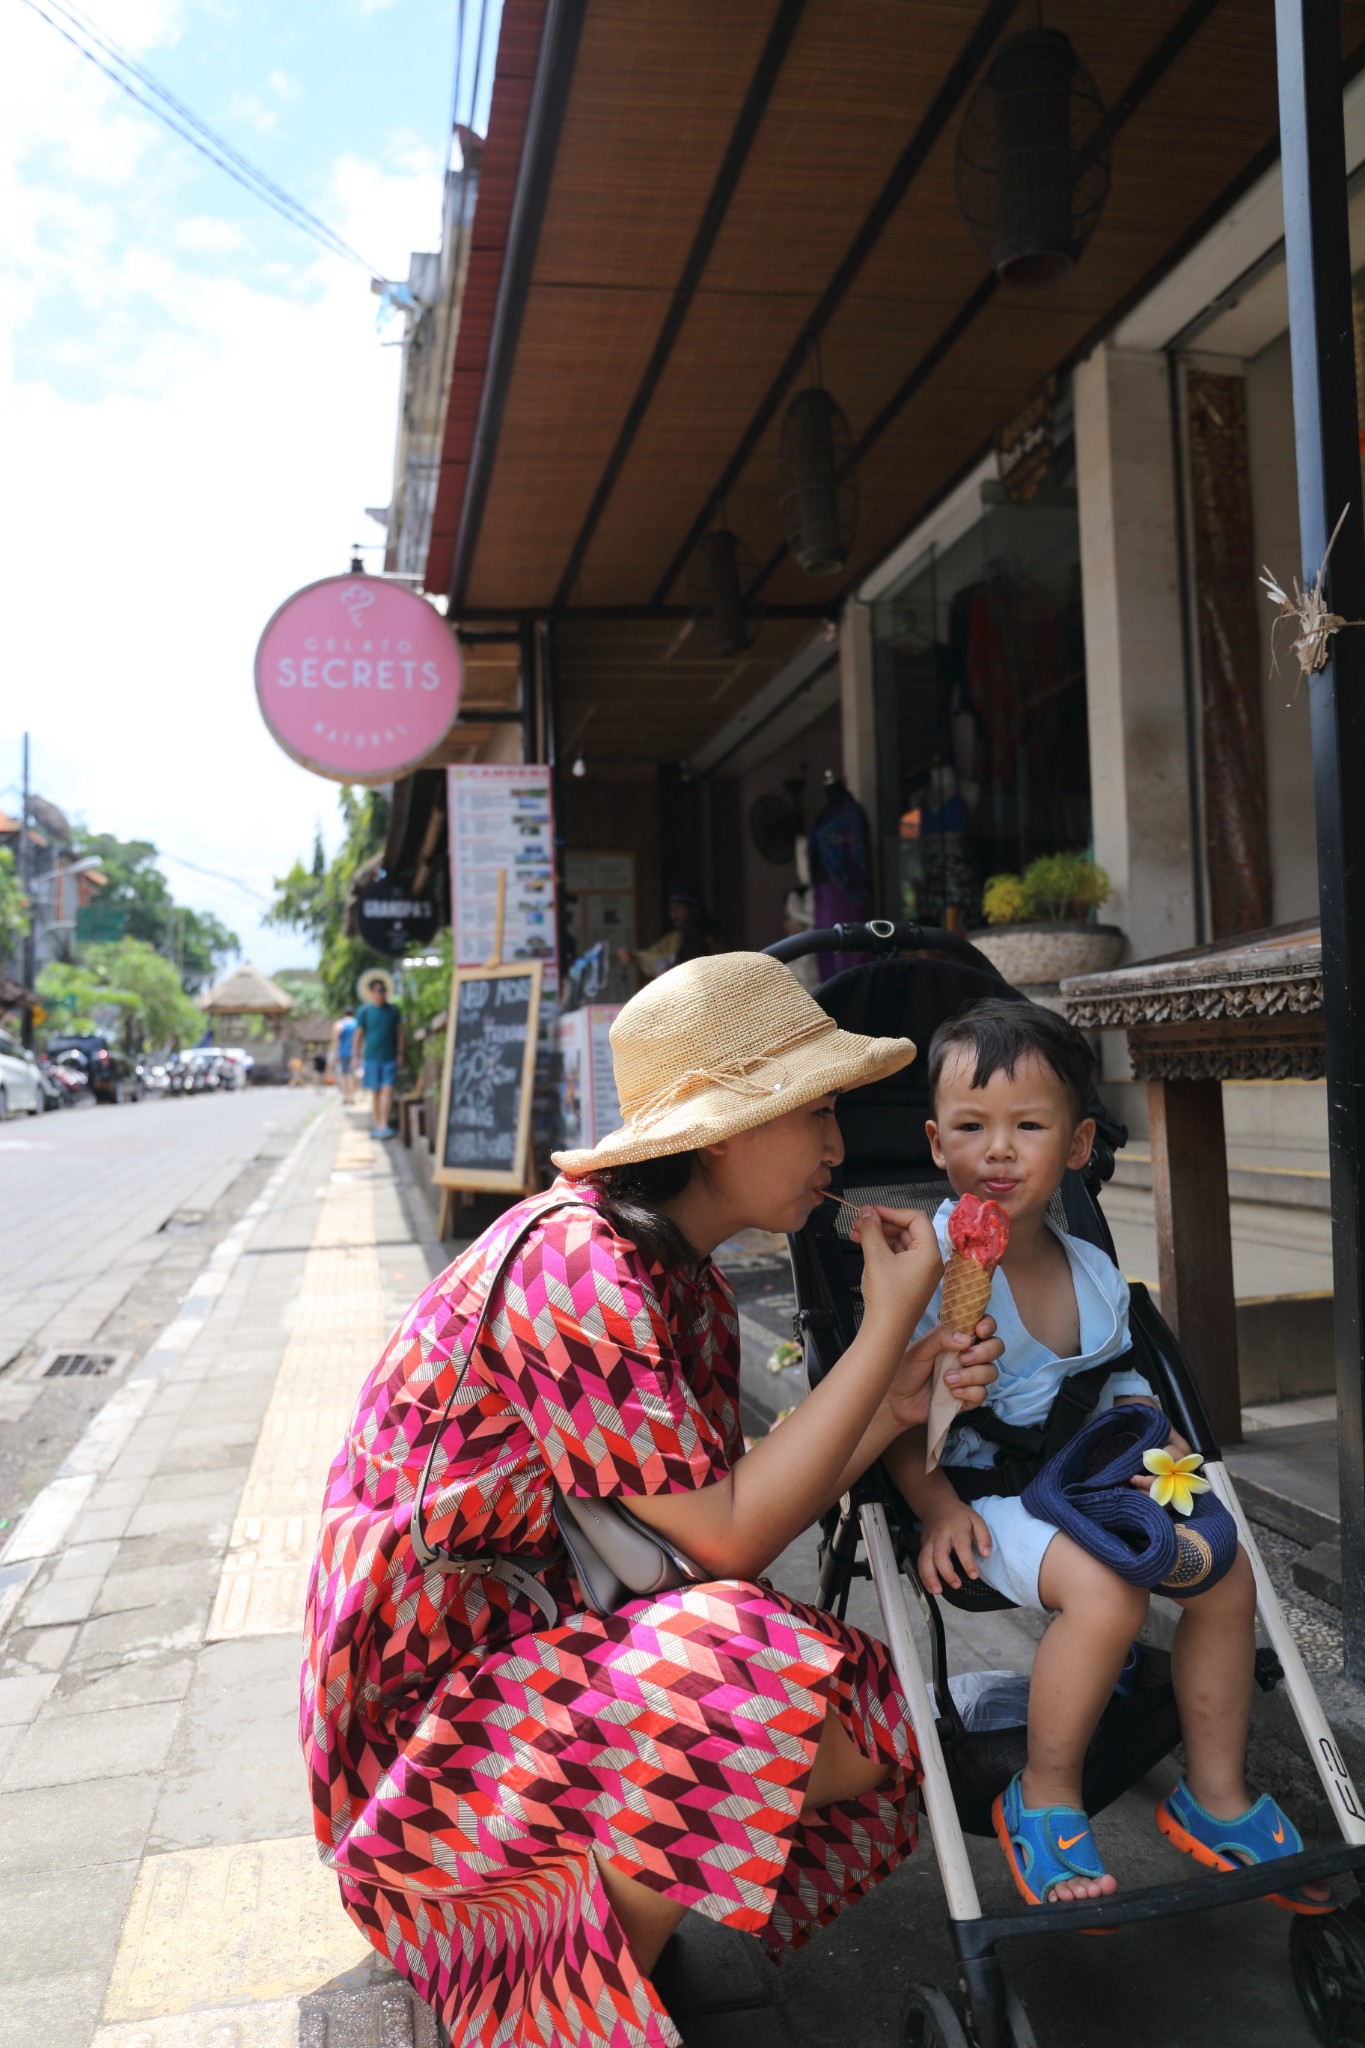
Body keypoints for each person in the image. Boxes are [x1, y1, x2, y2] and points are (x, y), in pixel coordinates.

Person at [301, 952, 1003, 2047]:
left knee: (874, 1710)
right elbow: (726, 1537)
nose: (835, 1142)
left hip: (530, 1658)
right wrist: (878, 1332)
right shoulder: (577, 1264)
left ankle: (589, 1919)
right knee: (745, 1661)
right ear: (723, 1127)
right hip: (417, 1722)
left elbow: (711, 1513)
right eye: (814, 1108)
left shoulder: (685, 1281)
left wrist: (893, 1394)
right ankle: (546, 1988)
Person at [880, 998, 1330, 1915]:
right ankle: (1044, 1793)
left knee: (1226, 1571)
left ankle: (1214, 1795)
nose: (997, 1151)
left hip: (1084, 1476)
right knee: (1106, 1588)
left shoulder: (1087, 1269)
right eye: (971, 1128)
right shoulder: (925, 1265)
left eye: (1028, 1126)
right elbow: (889, 1413)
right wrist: (932, 1508)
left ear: (1077, 1146)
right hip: (978, 1495)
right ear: (936, 1144)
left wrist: (1153, 1436)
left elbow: (1117, 1382)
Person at [619, 889, 719, 983]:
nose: (673, 914)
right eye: (672, 909)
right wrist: (635, 957)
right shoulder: (675, 938)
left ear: (693, 909)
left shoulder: (711, 935)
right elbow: (656, 955)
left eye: (678, 908)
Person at [352, 973, 402, 1139]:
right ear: (372, 992)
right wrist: (355, 1055)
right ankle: (377, 1124)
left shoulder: (393, 1010)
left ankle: (384, 1124)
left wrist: (401, 1053)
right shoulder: (365, 1011)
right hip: (371, 1058)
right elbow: (358, 1034)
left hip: (390, 1057)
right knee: (375, 1093)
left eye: (384, 990)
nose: (382, 993)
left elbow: (400, 1033)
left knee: (388, 1091)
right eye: (379, 990)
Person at [332, 1007, 358, 1104]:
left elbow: (335, 1041)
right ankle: (351, 1097)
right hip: (354, 1053)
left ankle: (345, 1097)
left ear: (344, 1014)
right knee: (351, 1075)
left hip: (343, 1052)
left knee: (344, 1075)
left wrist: (335, 1054)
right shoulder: (356, 1023)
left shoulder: (339, 1024)